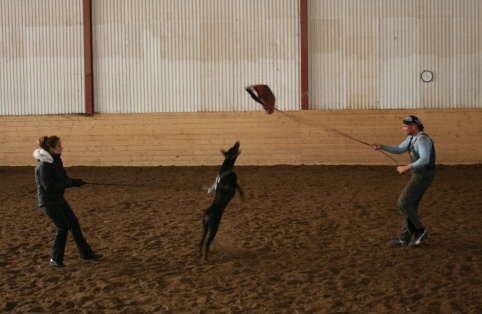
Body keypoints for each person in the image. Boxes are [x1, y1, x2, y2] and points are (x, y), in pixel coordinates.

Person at [34, 136, 102, 267]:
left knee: (73, 223)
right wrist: (68, 183)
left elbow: (63, 178)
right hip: (48, 201)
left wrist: (75, 182)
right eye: (59, 146)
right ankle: (55, 258)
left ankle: (86, 254)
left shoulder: (56, 161)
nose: (61, 147)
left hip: (58, 199)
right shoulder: (43, 166)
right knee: (63, 226)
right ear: (51, 149)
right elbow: (48, 186)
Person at [370, 115, 436, 247]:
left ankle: (420, 231)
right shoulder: (412, 138)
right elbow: (399, 149)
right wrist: (381, 146)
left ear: (413, 127)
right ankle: (404, 238)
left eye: (405, 126)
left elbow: (425, 159)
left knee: (403, 203)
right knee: (410, 206)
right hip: (419, 174)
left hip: (423, 175)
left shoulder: (422, 140)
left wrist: (407, 167)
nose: (403, 128)